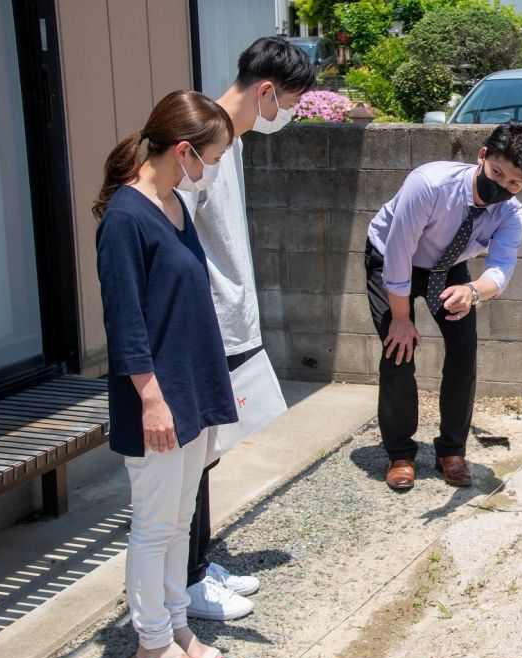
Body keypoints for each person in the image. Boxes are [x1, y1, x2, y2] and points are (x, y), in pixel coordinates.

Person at [94, 90, 236, 658]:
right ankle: (150, 645)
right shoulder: (126, 218)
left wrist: (211, 384)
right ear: (184, 151)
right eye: (214, 156)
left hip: (190, 390)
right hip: (156, 398)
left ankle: (176, 627)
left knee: (180, 523)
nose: (216, 168)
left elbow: (185, 307)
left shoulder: (174, 202)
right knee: (154, 528)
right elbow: (125, 324)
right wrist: (152, 401)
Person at [177, 36, 316, 621]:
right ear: (265, 91)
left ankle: (197, 565)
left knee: (207, 457)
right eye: (287, 102)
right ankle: (183, 586)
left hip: (224, 321)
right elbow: (173, 232)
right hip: (201, 325)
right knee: (190, 463)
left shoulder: (226, 143)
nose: (286, 115)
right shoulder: (202, 144)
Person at [365, 121, 522, 490]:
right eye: (496, 172)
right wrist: (401, 319)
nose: (500, 186)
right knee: (398, 351)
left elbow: (500, 269)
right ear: (482, 156)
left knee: (464, 351)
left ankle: (452, 451)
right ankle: (400, 454)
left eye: (513, 183)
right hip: (391, 257)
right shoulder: (429, 184)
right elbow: (398, 255)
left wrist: (473, 291)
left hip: (448, 268)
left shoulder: (510, 214)